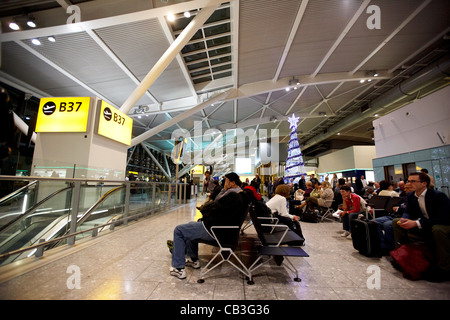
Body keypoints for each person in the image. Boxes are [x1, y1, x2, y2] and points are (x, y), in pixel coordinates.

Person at [168, 172, 249, 279]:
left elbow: (214, 209)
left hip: (215, 230)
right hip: (222, 230)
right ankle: (193, 260)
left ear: (232, 183)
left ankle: (178, 269)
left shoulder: (233, 196)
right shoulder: (238, 194)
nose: (224, 182)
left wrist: (206, 213)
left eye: (226, 181)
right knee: (192, 225)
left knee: (179, 230)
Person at [392, 172, 450, 281]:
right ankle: (401, 256)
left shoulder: (438, 196)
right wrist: (404, 219)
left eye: (413, 181)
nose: (409, 184)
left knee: (437, 229)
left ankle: (444, 268)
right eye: (408, 181)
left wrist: (417, 223)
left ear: (424, 183)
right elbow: (408, 211)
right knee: (397, 222)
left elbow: (443, 218)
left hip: (442, 224)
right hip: (424, 223)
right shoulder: (411, 195)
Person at [374, 182, 413, 254]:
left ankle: (390, 247)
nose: (405, 190)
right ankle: (381, 245)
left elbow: (406, 209)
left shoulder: (414, 199)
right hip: (393, 215)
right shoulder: (404, 198)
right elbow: (394, 206)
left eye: (408, 188)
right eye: (405, 188)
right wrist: (400, 208)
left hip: (403, 217)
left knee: (387, 224)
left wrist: (399, 208)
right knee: (374, 222)